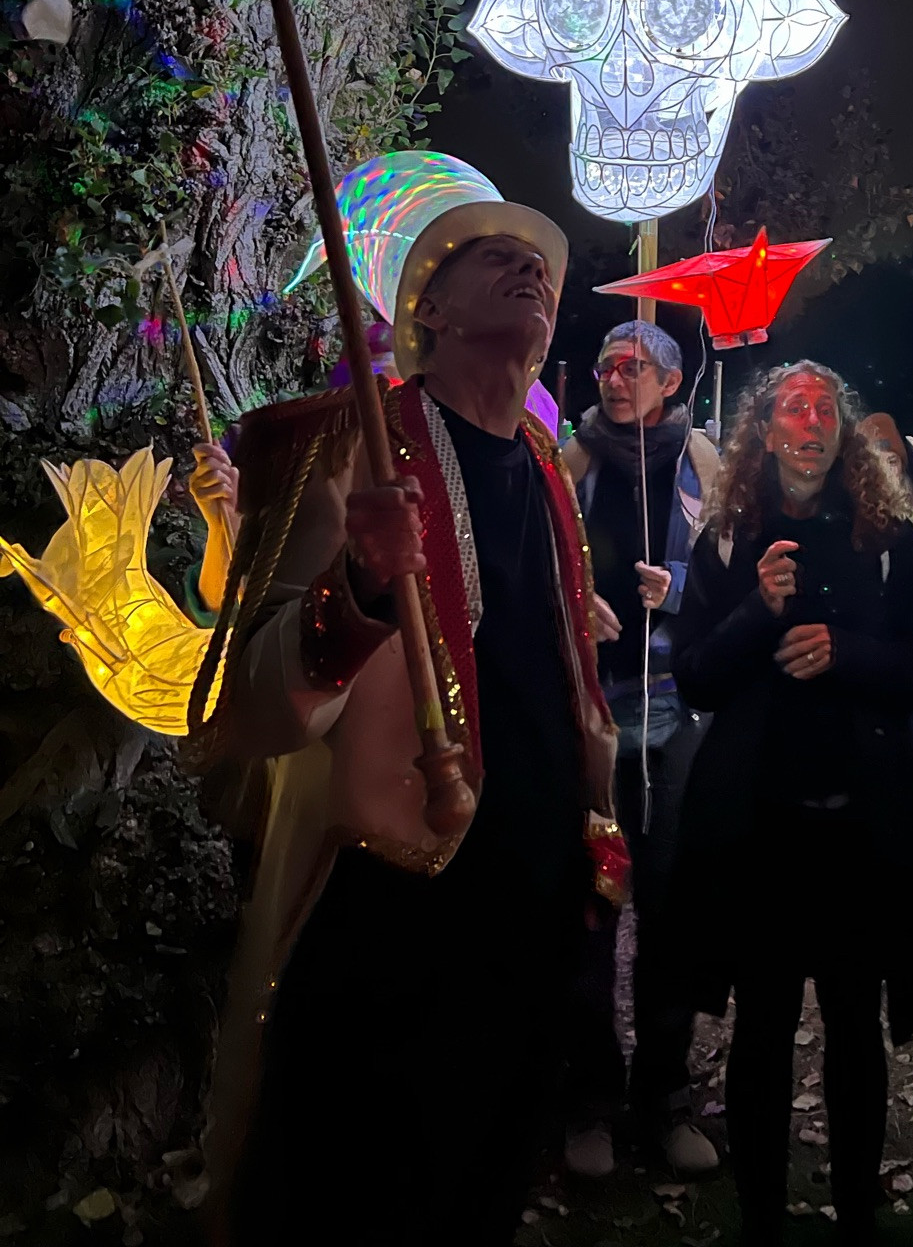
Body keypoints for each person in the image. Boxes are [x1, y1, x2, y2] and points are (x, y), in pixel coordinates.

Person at [189, 160, 625, 1245]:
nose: (532, 265)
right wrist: (363, 589)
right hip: (390, 912)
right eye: (494, 255)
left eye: (543, 264)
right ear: (424, 306)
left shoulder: (547, 465)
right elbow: (242, 707)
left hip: (532, 906)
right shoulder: (336, 443)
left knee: (486, 1187)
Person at [670, 363, 913, 1247]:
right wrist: (758, 609)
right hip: (760, 834)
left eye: (825, 409)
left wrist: (848, 653)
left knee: (853, 1027)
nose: (810, 421)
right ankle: (760, 1213)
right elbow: (696, 677)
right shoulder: (727, 536)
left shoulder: (884, 536)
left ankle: (857, 1209)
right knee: (759, 1029)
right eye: (792, 407)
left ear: (843, 432)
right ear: (764, 430)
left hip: (858, 833)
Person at [560, 319, 719, 1179]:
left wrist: (683, 587)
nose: (616, 380)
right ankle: (588, 1098)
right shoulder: (570, 462)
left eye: (633, 368)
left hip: (678, 722)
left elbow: (736, 576)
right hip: (594, 722)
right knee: (591, 910)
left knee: (673, 916)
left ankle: (665, 1096)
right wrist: (576, 596)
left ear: (668, 378)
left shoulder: (702, 462)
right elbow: (530, 567)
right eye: (605, 366)